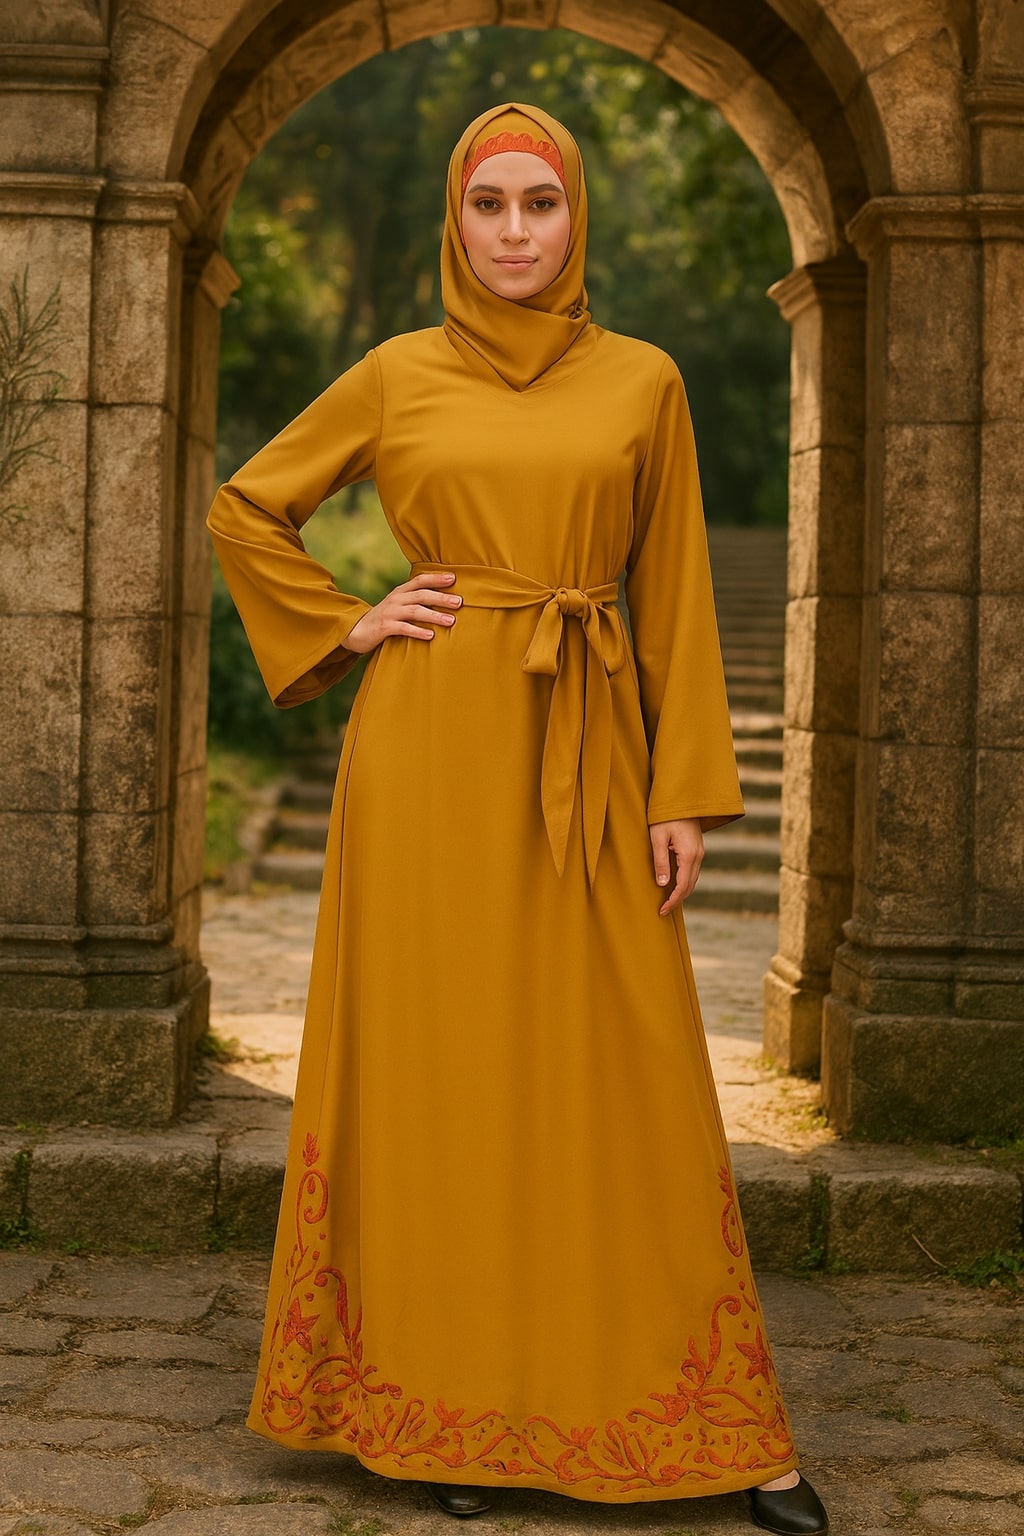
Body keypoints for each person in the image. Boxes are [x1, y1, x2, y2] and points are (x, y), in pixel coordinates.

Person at [207, 103, 829, 1536]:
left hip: (590, 742)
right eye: (488, 205)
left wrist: (685, 786)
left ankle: (718, 1426)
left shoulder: (645, 381)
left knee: (633, 1072)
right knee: (437, 1075)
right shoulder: (397, 371)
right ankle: (432, 1404)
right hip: (428, 753)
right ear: (455, 217)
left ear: (577, 218)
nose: (512, 233)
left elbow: (667, 584)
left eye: (539, 205)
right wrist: (354, 620)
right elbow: (250, 507)